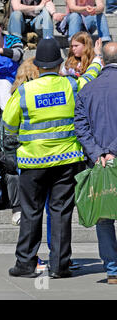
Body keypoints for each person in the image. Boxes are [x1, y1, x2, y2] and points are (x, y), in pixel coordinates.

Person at [4, 38, 103, 279]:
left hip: (32, 162)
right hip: (67, 160)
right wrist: (97, 60)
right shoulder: (70, 85)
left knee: (31, 212)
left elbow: (8, 124)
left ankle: (26, 263)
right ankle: (59, 265)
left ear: (37, 65)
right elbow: (88, 79)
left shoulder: (25, 91)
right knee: (60, 213)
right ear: (60, 64)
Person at [74, 42, 117, 285]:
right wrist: (113, 150)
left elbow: (80, 128)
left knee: (104, 218)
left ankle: (113, 269)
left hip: (98, 162)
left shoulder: (87, 90)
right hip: (111, 156)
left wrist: (98, 153)